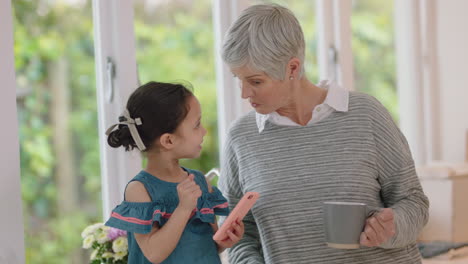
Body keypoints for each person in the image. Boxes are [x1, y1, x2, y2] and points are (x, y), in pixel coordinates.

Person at [218, 3, 429, 264]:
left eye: (256, 81)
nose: (244, 93)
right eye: (237, 78)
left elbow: (414, 203)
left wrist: (391, 226)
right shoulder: (242, 138)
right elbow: (239, 236)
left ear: (292, 69)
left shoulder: (366, 115)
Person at [104, 81, 244, 264]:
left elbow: (205, 247)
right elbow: (154, 254)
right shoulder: (139, 190)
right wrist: (184, 208)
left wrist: (224, 241)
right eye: (196, 125)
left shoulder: (200, 182)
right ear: (168, 140)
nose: (204, 131)